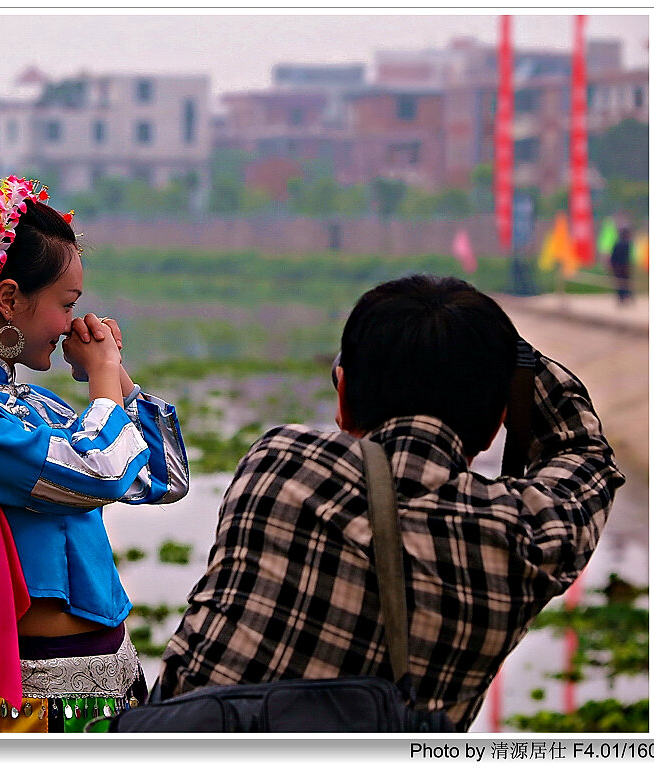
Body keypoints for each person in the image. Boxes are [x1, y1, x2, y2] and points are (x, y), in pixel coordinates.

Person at [157, 274, 624, 731]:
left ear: (343, 397)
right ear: (495, 424)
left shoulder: (278, 465)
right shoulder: (527, 536)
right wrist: (511, 354)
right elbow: (583, 451)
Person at [0, 174, 189, 733]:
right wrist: (102, 381)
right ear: (10, 299)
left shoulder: (34, 403)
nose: (71, 326)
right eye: (68, 304)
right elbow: (101, 474)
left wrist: (117, 382)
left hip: (120, 683)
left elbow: (164, 476)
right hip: (36, 704)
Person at [609, 226, 634, 304]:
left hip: (618, 266)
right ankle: (628, 296)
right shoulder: (628, 244)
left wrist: (613, 265)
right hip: (624, 266)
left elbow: (613, 256)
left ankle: (623, 297)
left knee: (620, 283)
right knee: (625, 282)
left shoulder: (618, 243)